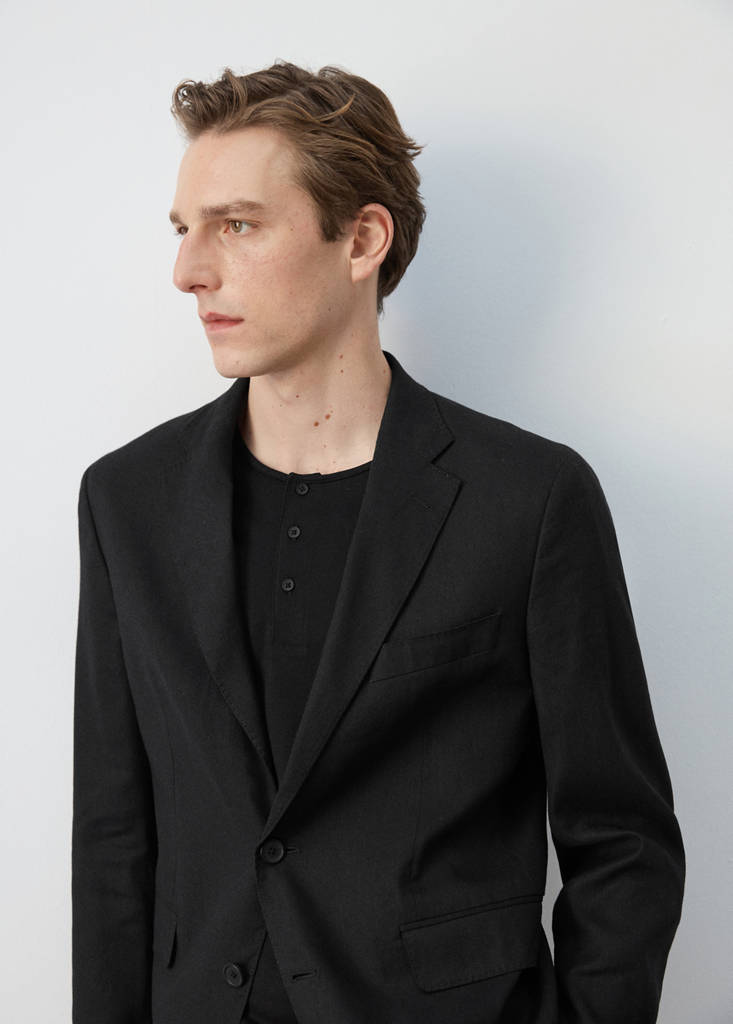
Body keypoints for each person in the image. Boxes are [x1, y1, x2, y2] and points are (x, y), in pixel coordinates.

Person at [72, 60, 685, 1024]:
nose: (188, 271)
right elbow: (114, 838)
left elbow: (621, 841)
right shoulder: (127, 500)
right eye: (184, 229)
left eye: (237, 225)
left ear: (361, 238)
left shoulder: (527, 499)